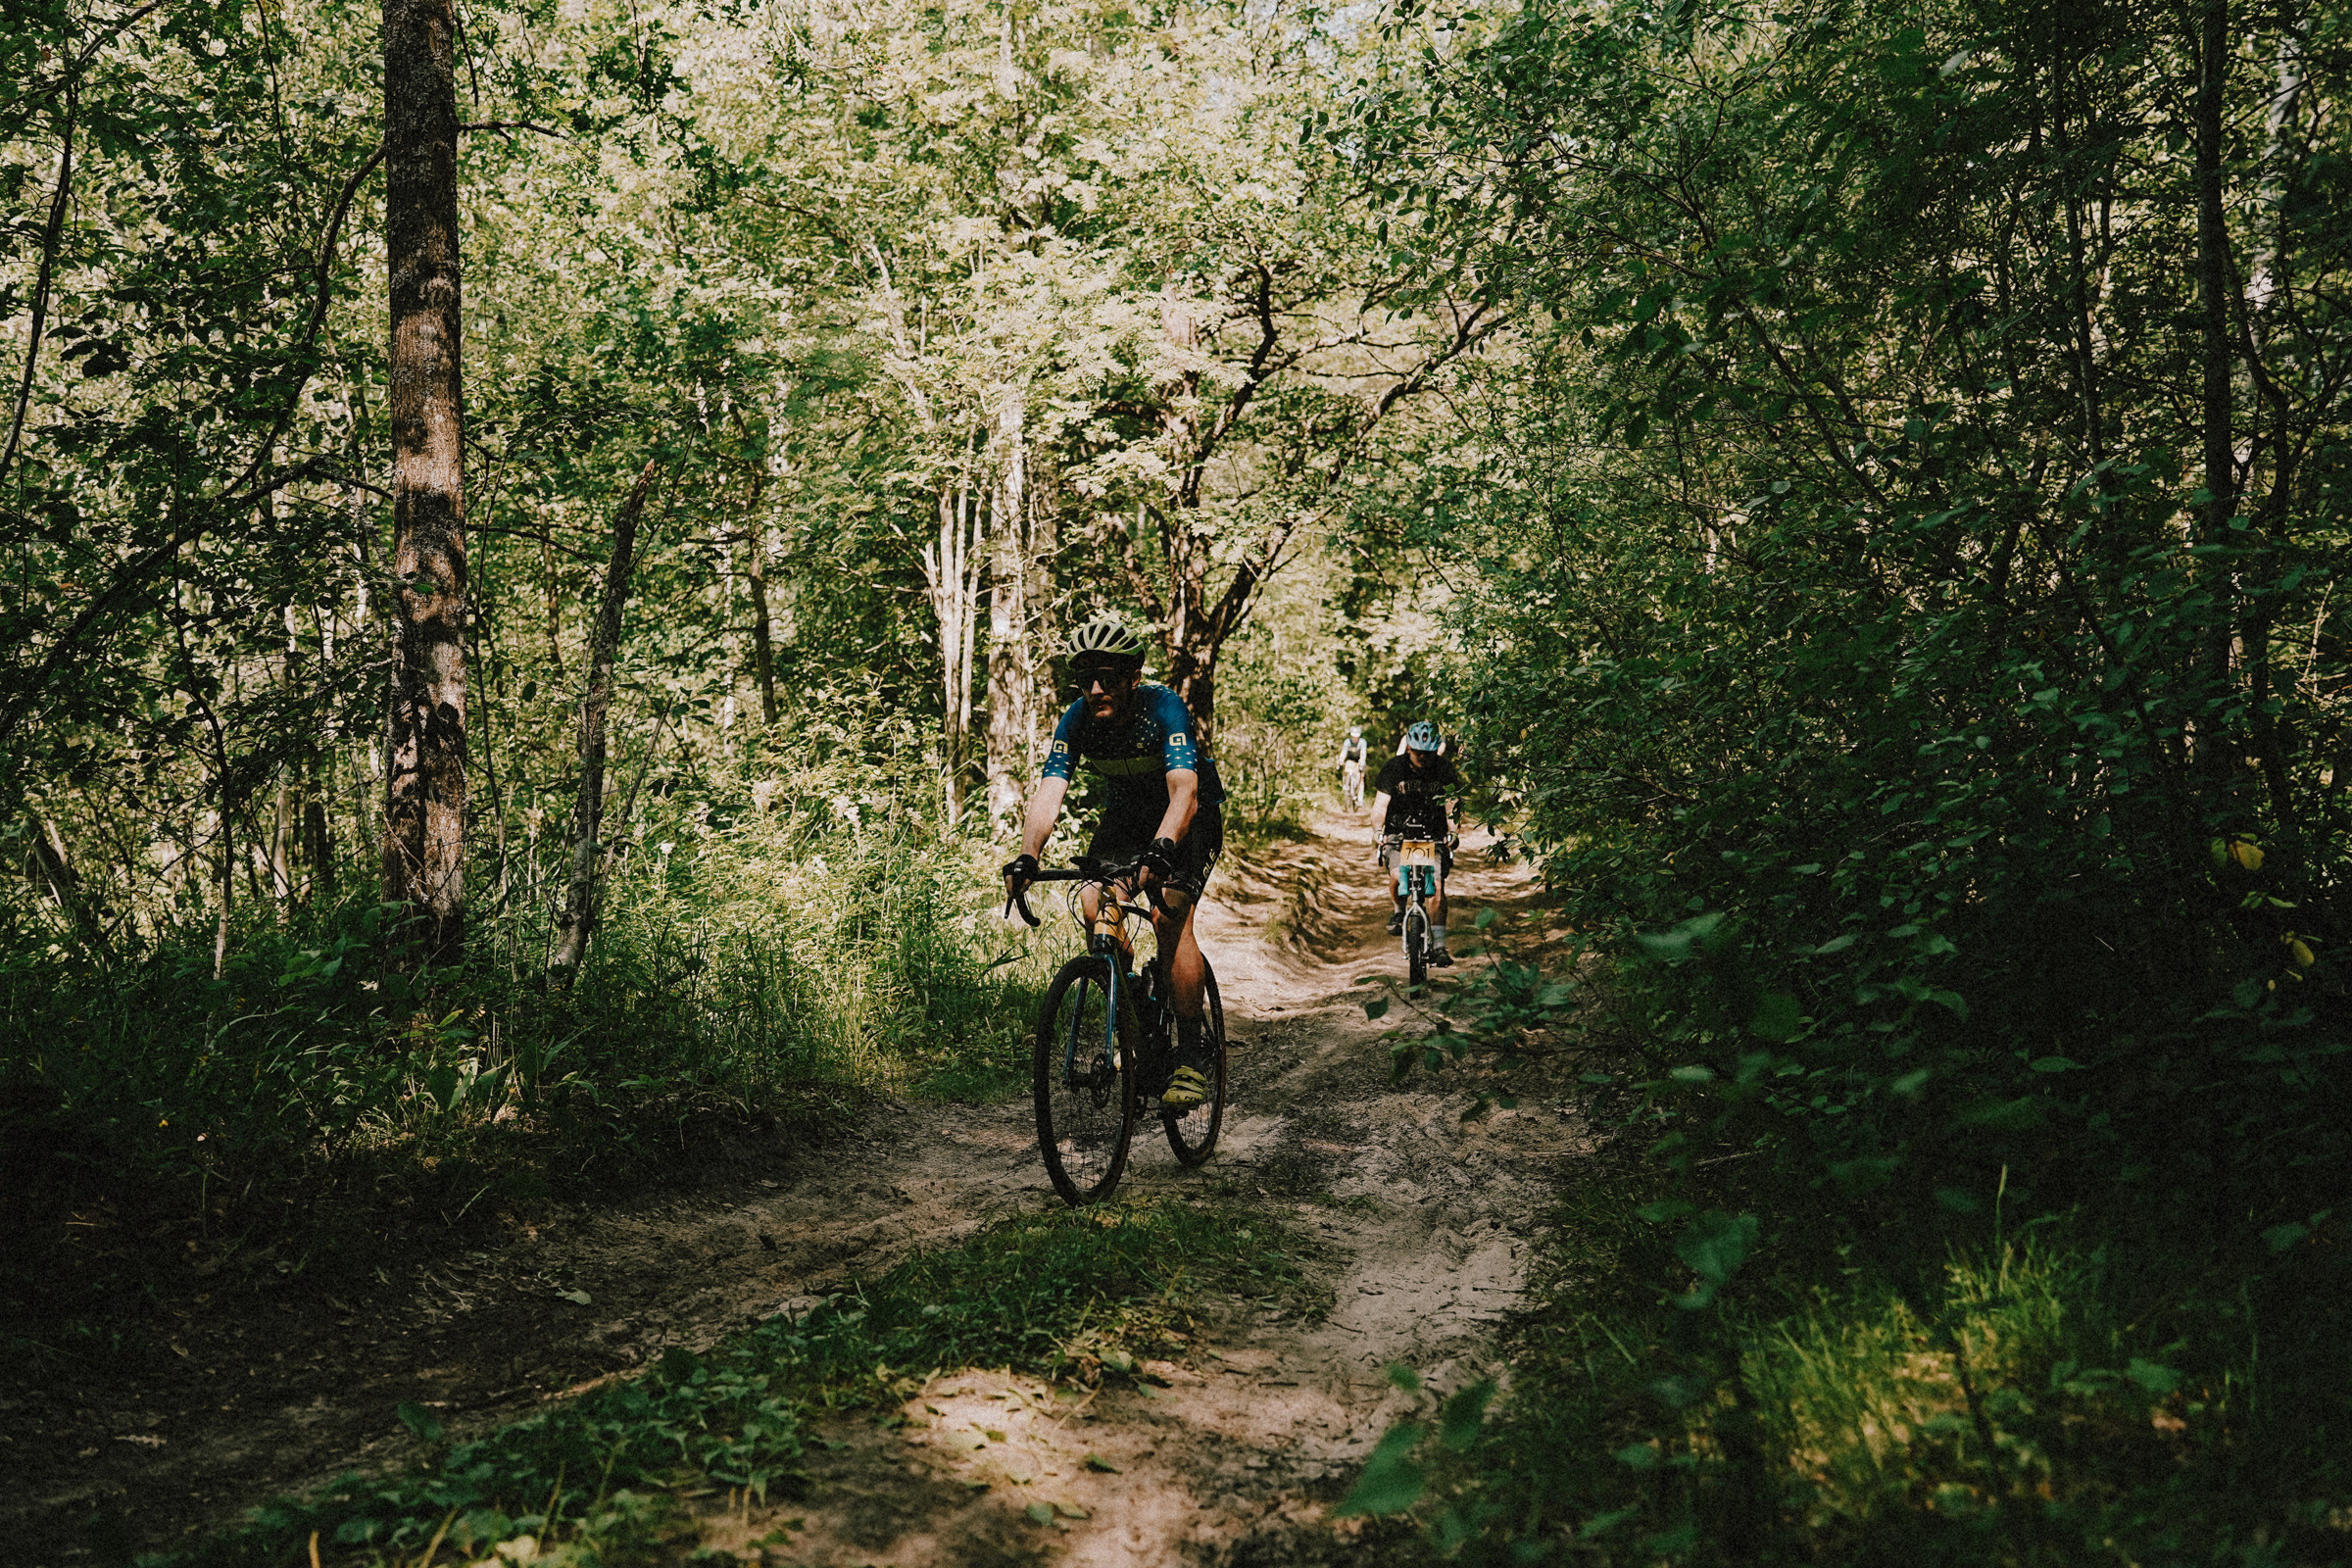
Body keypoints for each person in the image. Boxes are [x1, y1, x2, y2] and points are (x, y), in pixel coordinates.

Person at [1002, 616, 1226, 1108]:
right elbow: (1049, 793)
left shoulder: (1163, 708)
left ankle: (1190, 1055)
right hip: (1126, 819)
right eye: (1085, 679)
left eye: (1106, 677)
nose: (1096, 688)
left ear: (1131, 677)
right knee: (1092, 901)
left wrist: (1164, 846)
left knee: (1170, 914)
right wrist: (1026, 856)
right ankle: (1134, 1013)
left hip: (1188, 817)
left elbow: (1184, 791)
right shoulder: (1077, 719)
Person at [1372, 720, 1464, 966]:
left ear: (1436, 751)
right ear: (1409, 748)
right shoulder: (1394, 768)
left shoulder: (1444, 770)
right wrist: (1378, 831)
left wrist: (1453, 832)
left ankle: (1440, 946)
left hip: (1432, 834)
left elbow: (1452, 807)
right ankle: (1399, 911)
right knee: (1396, 876)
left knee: (1435, 885)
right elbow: (1380, 807)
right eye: (1418, 752)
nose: (1423, 757)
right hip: (1399, 834)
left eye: (1428, 753)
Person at [1336, 725, 1369, 808]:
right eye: (1353, 736)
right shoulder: (1347, 742)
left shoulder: (1362, 742)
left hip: (1359, 761)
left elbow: (1363, 753)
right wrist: (1341, 760)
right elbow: (1344, 752)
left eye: (1356, 737)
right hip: (1350, 760)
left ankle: (1360, 798)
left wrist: (1362, 762)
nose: (1355, 738)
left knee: (1361, 778)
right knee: (1346, 769)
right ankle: (1346, 786)